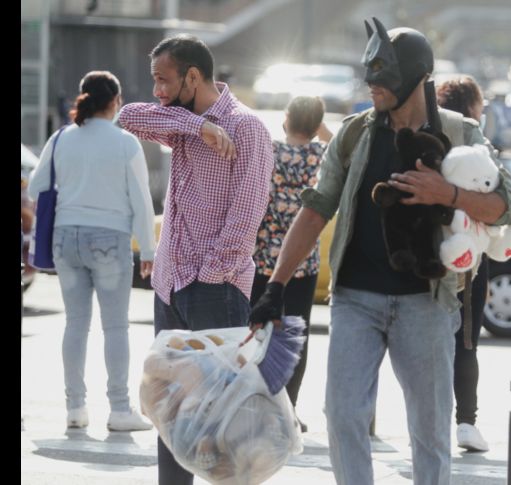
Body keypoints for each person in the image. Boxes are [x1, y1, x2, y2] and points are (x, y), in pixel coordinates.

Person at [249, 18, 511, 484]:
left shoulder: (461, 134)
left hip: (427, 304)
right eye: (369, 74)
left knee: (431, 430)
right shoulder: (355, 134)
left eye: (383, 76)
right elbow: (315, 210)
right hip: (356, 299)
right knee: (342, 415)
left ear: (417, 77)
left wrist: (449, 194)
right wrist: (276, 285)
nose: (371, 84)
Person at [118, 34, 274, 485]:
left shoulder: (247, 128)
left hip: (214, 289)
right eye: (154, 81)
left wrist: (211, 275)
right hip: (169, 286)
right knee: (173, 412)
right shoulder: (183, 121)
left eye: (164, 81)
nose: (157, 91)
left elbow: (247, 213)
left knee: (222, 424)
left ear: (192, 76)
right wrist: (198, 127)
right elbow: (129, 116)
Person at [28, 71, 156, 432]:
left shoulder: (60, 138)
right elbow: (142, 201)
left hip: (66, 238)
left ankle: (75, 409)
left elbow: (37, 186)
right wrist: (147, 248)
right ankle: (119, 410)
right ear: (116, 102)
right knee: (115, 326)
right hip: (109, 239)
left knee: (75, 325)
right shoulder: (125, 143)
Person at [251, 95, 332, 431]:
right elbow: (342, 144)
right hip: (302, 261)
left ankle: (253, 405)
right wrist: (321, 128)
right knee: (296, 338)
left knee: (255, 333)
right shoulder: (321, 155)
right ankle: (289, 409)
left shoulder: (268, 151)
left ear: (286, 118)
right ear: (315, 125)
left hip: (262, 259)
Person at [436, 75, 490, 452]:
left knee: (426, 342)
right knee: (465, 342)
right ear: (472, 107)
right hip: (469, 262)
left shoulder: (429, 137)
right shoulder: (475, 143)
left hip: (430, 256)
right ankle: (466, 422)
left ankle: (431, 419)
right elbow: (503, 196)